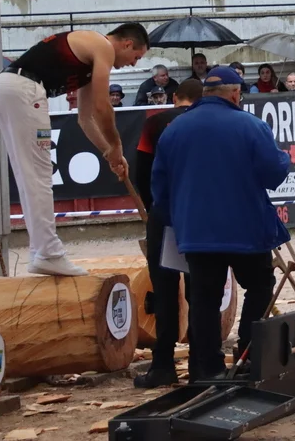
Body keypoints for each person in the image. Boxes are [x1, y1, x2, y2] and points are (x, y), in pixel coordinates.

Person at [152, 67, 290, 381]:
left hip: (197, 232)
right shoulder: (251, 125)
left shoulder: (174, 129)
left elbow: (159, 188)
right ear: (236, 93)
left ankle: (207, 369)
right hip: (246, 228)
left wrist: (179, 222)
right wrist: (284, 158)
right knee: (259, 286)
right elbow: (273, 174)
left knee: (204, 299)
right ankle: (249, 354)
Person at [0, 25, 150, 276]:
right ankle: (49, 253)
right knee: (40, 175)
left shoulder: (88, 59)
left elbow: (84, 118)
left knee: (28, 175)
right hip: (24, 89)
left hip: (7, 87)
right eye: (136, 57)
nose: (133, 64)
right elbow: (102, 106)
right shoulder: (103, 47)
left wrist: (109, 153)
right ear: (127, 44)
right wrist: (117, 146)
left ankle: (39, 251)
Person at [132, 78, 203, 388]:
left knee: (164, 290)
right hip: (200, 215)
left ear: (176, 97)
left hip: (166, 214)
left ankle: (163, 364)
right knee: (200, 289)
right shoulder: (207, 123)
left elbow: (142, 171)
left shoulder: (156, 122)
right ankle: (201, 363)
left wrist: (153, 209)